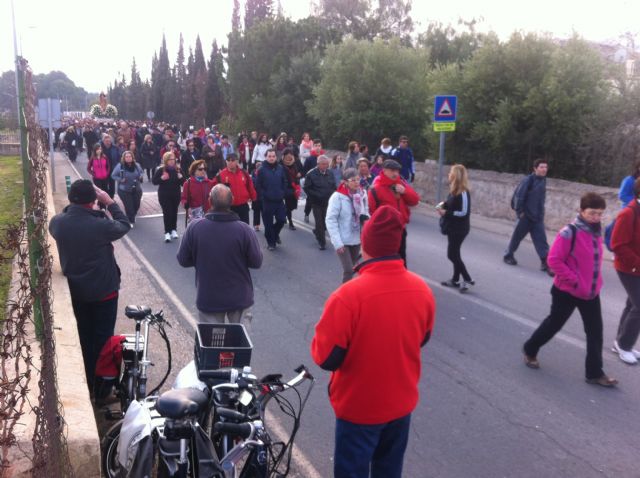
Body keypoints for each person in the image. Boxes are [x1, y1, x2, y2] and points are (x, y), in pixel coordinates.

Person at [311, 205, 435, 478]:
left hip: (359, 410)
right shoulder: (422, 290)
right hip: (401, 405)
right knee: (389, 470)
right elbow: (421, 339)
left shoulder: (348, 297)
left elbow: (325, 357)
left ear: (366, 245)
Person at [523, 192, 618, 387]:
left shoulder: (596, 232)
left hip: (590, 292)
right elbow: (553, 260)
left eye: (600, 214)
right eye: (592, 213)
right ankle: (530, 349)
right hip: (567, 291)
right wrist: (574, 280)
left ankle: (594, 373)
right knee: (553, 325)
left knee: (595, 333)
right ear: (581, 211)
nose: (596, 217)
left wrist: (594, 282)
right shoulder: (569, 232)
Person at [49, 180, 130, 391]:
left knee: (84, 338)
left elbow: (68, 215)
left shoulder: (58, 223)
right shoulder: (100, 225)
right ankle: (102, 389)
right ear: (93, 200)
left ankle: (87, 382)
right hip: (104, 293)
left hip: (77, 292)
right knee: (103, 341)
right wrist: (110, 202)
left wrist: (78, 207)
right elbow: (124, 224)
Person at [177, 184, 263, 324]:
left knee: (212, 344)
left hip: (209, 297)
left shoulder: (194, 228)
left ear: (209, 201)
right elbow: (256, 262)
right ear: (232, 201)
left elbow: (183, 259)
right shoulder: (245, 230)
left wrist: (201, 258)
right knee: (240, 343)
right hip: (239, 297)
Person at [503, 159, 553, 275]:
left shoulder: (543, 181)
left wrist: (541, 214)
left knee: (541, 241)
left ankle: (545, 262)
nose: (544, 169)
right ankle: (508, 255)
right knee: (516, 237)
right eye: (541, 167)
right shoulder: (528, 180)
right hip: (525, 217)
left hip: (537, 218)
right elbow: (519, 196)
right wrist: (520, 213)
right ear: (535, 168)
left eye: (546, 167)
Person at [368, 159, 420, 267]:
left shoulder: (400, 184)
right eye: (392, 170)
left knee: (401, 260)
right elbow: (371, 212)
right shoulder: (376, 189)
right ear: (384, 170)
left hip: (400, 229)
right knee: (385, 261)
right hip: (385, 231)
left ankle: (401, 282)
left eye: (397, 171)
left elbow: (415, 200)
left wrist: (404, 191)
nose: (395, 173)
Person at [611, 177, 640, 365]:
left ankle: (619, 342)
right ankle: (625, 345)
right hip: (628, 268)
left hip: (637, 267)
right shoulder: (628, 213)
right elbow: (617, 245)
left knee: (632, 305)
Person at [326, 168, 369, 283]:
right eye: (353, 180)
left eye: (358, 179)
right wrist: (337, 242)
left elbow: (366, 210)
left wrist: (365, 217)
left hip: (356, 238)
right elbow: (330, 220)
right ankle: (343, 296)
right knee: (349, 270)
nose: (356, 182)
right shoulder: (337, 197)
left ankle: (347, 290)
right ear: (345, 182)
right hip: (343, 240)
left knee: (353, 268)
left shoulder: (362, 194)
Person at [437, 164, 473, 292]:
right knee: (455, 254)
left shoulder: (463, 192)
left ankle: (467, 278)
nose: (448, 174)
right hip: (452, 227)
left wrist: (446, 213)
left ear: (456, 175)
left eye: (451, 172)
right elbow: (451, 204)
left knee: (452, 255)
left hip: (460, 229)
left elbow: (464, 212)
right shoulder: (454, 190)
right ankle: (455, 279)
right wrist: (442, 205)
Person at [256, 149, 291, 250]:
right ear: (266, 157)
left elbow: (284, 181)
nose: (271, 158)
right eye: (269, 156)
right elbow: (258, 185)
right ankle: (271, 243)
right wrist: (263, 196)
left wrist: (282, 192)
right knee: (268, 224)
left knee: (281, 220)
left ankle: (275, 235)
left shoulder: (280, 168)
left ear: (276, 157)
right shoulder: (262, 170)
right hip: (267, 201)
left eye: (273, 156)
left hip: (279, 200)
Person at [304, 155, 337, 250]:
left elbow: (333, 186)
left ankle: (317, 231)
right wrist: (316, 196)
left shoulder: (330, 173)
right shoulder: (311, 174)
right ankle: (322, 242)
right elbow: (307, 188)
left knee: (326, 223)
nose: (325, 166)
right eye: (323, 164)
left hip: (328, 202)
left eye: (327, 164)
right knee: (319, 223)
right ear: (318, 164)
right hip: (316, 203)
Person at [214, 153, 257, 224]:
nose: (230, 162)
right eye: (228, 160)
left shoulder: (243, 172)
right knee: (230, 229)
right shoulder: (221, 175)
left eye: (232, 160)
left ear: (237, 161)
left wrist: (254, 199)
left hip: (243, 206)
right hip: (229, 207)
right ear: (226, 161)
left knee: (244, 228)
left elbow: (250, 186)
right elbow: (214, 189)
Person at [153, 151, 185, 242]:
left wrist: (181, 177)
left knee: (174, 212)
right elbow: (154, 181)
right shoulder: (161, 169)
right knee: (167, 213)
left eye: (173, 159)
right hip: (164, 195)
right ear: (166, 160)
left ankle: (174, 230)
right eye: (170, 159)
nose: (172, 161)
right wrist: (161, 179)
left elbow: (184, 183)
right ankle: (167, 232)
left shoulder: (178, 169)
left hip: (175, 194)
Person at [111, 151, 144, 225]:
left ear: (132, 157)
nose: (128, 158)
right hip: (124, 190)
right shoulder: (120, 166)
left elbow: (141, 172)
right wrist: (120, 179)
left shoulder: (137, 165)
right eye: (126, 157)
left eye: (130, 156)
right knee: (129, 206)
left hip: (136, 189)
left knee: (137, 205)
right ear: (124, 158)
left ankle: (132, 215)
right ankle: (130, 220)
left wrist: (141, 175)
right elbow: (113, 175)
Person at [302, 139, 325, 222]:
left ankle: (321, 219)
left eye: (319, 146)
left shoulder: (324, 158)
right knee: (310, 200)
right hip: (312, 184)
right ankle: (306, 213)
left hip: (322, 183)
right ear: (313, 147)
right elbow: (304, 171)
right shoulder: (309, 159)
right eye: (316, 146)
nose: (318, 148)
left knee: (322, 201)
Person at [281, 148, 302, 230]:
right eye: (287, 156)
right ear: (284, 156)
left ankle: (285, 212)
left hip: (294, 186)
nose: (289, 158)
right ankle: (290, 222)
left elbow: (302, 170)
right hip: (286, 187)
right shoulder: (281, 165)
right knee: (289, 205)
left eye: (291, 156)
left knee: (292, 206)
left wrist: (300, 174)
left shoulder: (295, 163)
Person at [101, 134, 121, 198]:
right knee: (104, 184)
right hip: (103, 169)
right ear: (103, 141)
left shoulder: (115, 148)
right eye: (106, 141)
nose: (108, 142)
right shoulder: (100, 148)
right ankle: (105, 197)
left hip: (112, 168)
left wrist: (118, 166)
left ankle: (111, 197)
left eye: (109, 141)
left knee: (112, 184)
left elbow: (119, 157)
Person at [251, 162, 263, 231]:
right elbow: (253, 185)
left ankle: (267, 225)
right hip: (255, 197)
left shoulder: (264, 174)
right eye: (258, 167)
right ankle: (256, 225)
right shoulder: (253, 176)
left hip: (263, 196)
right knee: (256, 211)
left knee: (264, 212)